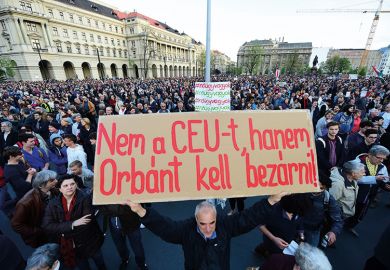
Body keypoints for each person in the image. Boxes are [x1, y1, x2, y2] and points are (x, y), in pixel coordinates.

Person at [125, 193, 287, 270]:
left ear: (217, 218)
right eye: (202, 224)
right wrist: (141, 211)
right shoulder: (186, 230)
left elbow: (248, 218)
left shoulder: (225, 225)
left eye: (212, 223)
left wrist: (271, 201)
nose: (208, 228)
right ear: (195, 219)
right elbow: (166, 228)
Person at [42, 174, 106, 270]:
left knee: (100, 263)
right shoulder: (53, 204)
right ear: (60, 189)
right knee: (84, 267)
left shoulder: (85, 198)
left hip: (90, 242)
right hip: (72, 248)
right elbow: (47, 226)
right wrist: (72, 224)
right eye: (65, 185)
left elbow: (86, 224)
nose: (70, 187)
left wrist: (63, 232)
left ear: (76, 185)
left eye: (72, 184)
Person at [344, 145, 390, 236]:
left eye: (383, 159)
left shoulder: (382, 167)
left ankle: (350, 226)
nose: (381, 161)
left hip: (369, 196)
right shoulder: (358, 162)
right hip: (353, 193)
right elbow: (356, 178)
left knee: (360, 213)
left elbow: (383, 180)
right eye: (379, 158)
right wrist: (375, 178)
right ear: (370, 155)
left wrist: (385, 186)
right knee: (345, 210)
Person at [11, 170, 58, 247]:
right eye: (52, 180)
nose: (56, 181)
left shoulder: (53, 189)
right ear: (41, 185)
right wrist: (38, 231)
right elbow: (16, 225)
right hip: (44, 236)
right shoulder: (26, 203)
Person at [100, 204, 148, 270]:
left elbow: (136, 206)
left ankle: (141, 264)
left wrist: (111, 209)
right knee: (120, 246)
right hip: (114, 225)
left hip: (131, 224)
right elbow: (101, 208)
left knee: (137, 247)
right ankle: (125, 259)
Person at [303, 171, 343, 247]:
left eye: (321, 188)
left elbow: (338, 220)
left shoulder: (328, 199)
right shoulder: (300, 190)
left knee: (310, 254)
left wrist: (333, 232)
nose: (317, 189)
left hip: (312, 231)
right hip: (294, 225)